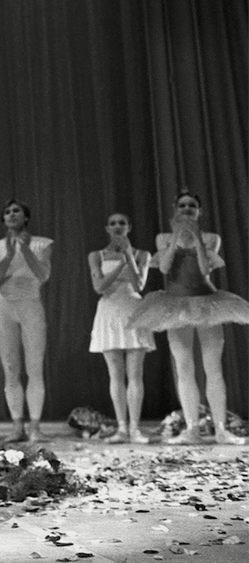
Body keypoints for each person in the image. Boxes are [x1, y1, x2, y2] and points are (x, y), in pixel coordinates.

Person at [127, 190, 249, 445]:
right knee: (183, 367)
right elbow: (164, 267)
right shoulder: (163, 238)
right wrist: (176, 238)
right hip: (175, 305)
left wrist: (196, 238)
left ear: (199, 211)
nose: (186, 209)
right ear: (175, 209)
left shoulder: (211, 238)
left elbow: (205, 269)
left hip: (207, 303)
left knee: (213, 367)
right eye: (182, 205)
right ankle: (192, 429)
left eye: (191, 205)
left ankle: (220, 429)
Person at [0, 199, 53, 443]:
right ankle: (17, 426)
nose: (12, 214)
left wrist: (25, 251)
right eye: (7, 212)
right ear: (3, 219)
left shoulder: (43, 244)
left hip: (31, 305)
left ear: (26, 217)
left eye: (17, 211)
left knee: (34, 366)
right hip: (4, 307)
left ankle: (35, 427)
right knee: (10, 368)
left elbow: (43, 274)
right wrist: (10, 255)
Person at [87, 212, 153, 444]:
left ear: (129, 227)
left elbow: (139, 284)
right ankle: (122, 428)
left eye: (122, 223)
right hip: (109, 311)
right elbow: (99, 287)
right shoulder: (96, 255)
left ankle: (135, 428)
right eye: (113, 223)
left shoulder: (142, 255)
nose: (117, 226)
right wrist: (120, 266)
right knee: (115, 374)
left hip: (133, 309)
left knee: (135, 374)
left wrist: (128, 256)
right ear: (107, 228)